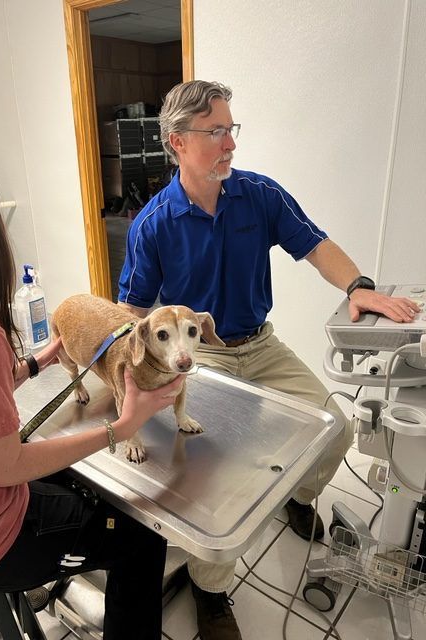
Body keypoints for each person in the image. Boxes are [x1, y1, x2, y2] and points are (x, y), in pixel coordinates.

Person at [117, 80, 420, 640]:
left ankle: (299, 498)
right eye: (215, 132)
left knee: (335, 428)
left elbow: (314, 243)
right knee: (219, 473)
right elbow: (130, 311)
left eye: (232, 129)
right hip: (200, 356)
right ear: (176, 141)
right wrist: (129, 375)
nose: (229, 143)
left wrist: (359, 285)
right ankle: (211, 592)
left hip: (261, 344)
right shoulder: (152, 224)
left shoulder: (259, 195)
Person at [0, 125, 184, 640]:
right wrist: (121, 427)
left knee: (76, 481)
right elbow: (7, 465)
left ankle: (54, 575)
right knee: (142, 538)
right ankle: (53, 572)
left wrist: (36, 363)